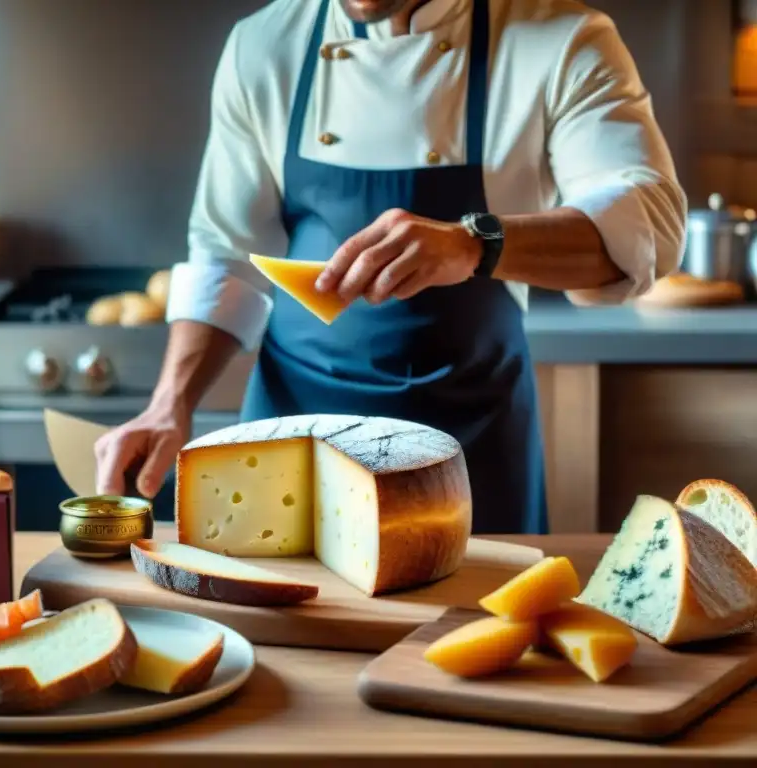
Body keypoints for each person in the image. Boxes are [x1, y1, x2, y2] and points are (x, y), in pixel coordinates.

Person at [94, 0, 687, 535]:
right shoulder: (264, 43)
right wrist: (170, 403)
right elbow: (225, 254)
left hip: (469, 438)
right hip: (292, 435)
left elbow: (647, 226)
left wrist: (474, 242)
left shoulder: (559, 39)